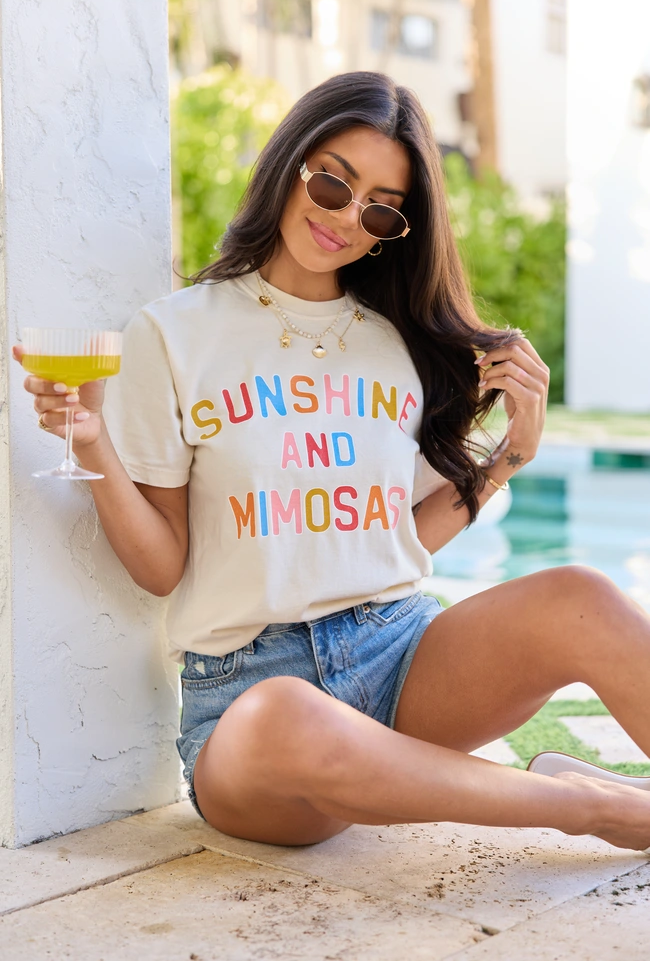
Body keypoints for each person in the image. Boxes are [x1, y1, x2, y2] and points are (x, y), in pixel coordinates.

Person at [15, 72, 650, 852]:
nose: (346, 217)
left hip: (400, 652)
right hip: (251, 695)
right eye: (331, 183)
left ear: (393, 230)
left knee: (579, 596)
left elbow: (398, 539)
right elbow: (162, 564)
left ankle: (479, 776)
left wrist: (510, 456)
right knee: (285, 714)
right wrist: (92, 443)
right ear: (290, 164)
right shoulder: (174, 334)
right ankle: (587, 805)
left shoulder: (398, 342)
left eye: (379, 207)